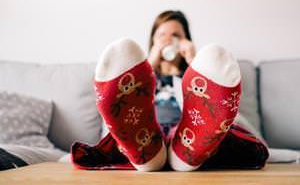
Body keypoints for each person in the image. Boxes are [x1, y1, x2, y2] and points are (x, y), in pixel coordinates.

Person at [70, 10, 269, 172]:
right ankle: (154, 153)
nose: (169, 40)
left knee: (214, 133)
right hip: (143, 131)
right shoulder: (138, 76)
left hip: (193, 132)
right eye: (162, 35)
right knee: (129, 133)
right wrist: (151, 64)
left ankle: (180, 153)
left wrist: (193, 60)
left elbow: (218, 108)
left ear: (187, 41)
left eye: (176, 36)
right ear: (152, 42)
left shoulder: (196, 76)